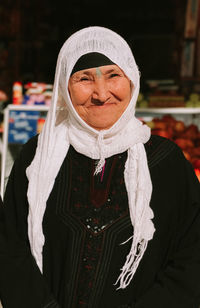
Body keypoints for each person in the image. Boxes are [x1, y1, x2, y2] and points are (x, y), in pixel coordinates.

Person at [0, 26, 200, 308]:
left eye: (113, 75)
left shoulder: (167, 162)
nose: (101, 93)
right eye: (84, 79)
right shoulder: (38, 155)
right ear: (64, 88)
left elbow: (191, 259)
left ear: (131, 79)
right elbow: (11, 247)